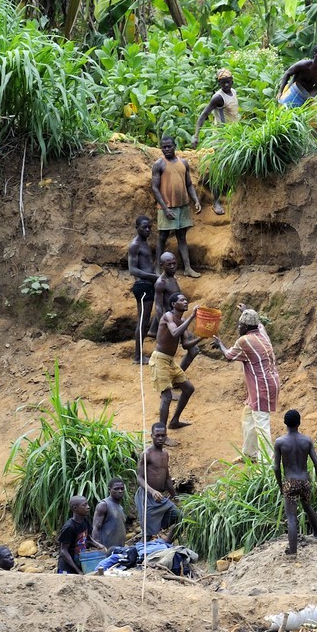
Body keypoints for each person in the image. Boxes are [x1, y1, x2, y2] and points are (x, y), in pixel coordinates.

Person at [217, 306, 280, 459]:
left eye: (240, 325)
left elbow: (229, 355)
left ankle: (266, 463)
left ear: (246, 327)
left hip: (261, 386)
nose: (238, 327)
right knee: (248, 418)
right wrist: (246, 311)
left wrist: (220, 344)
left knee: (261, 424)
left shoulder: (245, 340)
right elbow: (259, 323)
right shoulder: (262, 333)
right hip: (270, 381)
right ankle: (250, 454)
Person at [150, 136, 202, 277]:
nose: (166, 149)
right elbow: (154, 188)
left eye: (169, 146)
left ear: (175, 146)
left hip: (182, 205)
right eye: (163, 147)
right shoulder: (159, 164)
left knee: (182, 237)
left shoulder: (183, 163)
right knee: (162, 237)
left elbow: (189, 184)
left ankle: (187, 268)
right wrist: (165, 208)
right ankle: (157, 269)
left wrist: (196, 200)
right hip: (166, 207)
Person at [272, 410, 317, 555]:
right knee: (307, 506)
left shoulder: (280, 442)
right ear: (299, 423)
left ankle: (293, 551)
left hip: (290, 482)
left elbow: (276, 467)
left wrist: (280, 485)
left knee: (292, 516)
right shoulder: (307, 441)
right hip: (305, 481)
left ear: (285, 423)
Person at [193, 68, 239, 214]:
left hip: (233, 137)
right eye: (223, 83)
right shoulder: (218, 98)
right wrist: (196, 135)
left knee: (234, 167)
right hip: (221, 138)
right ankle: (216, 202)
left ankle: (234, 197)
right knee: (219, 170)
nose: (226, 85)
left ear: (232, 81)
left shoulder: (234, 93)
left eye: (228, 82)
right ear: (219, 83)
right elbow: (203, 115)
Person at [151, 292, 198, 432]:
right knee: (167, 397)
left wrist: (202, 337)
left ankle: (174, 421)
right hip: (159, 359)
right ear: (173, 304)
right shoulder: (168, 316)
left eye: (186, 299)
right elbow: (175, 333)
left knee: (189, 388)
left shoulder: (182, 321)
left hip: (169, 361)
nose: (185, 302)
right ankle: (162, 433)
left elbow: (186, 345)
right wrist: (191, 317)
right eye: (182, 300)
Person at [137, 423, 182, 540]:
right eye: (157, 435)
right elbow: (139, 478)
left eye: (163, 435)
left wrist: (175, 497)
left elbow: (167, 478)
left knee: (180, 517)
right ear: (152, 436)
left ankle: (167, 542)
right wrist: (152, 491)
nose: (160, 438)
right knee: (147, 533)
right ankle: (143, 553)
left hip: (160, 497)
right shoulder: (146, 454)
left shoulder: (165, 454)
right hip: (147, 496)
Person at [126, 216, 160, 364]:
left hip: (148, 284)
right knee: (142, 321)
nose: (147, 230)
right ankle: (138, 357)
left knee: (145, 319)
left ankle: (139, 354)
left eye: (149, 227)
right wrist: (154, 277)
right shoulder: (135, 245)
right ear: (136, 227)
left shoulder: (144, 243)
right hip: (143, 285)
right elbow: (132, 269)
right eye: (144, 227)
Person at [56, 496, 92, 575]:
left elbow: (87, 538)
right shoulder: (69, 527)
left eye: (87, 504)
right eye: (84, 505)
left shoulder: (84, 521)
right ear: (75, 508)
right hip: (67, 568)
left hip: (78, 563)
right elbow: (63, 551)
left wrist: (99, 545)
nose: (88, 507)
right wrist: (78, 571)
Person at [91, 477, 128, 550]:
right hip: (106, 550)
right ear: (109, 489)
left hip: (119, 549)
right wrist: (98, 547)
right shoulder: (104, 505)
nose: (120, 491)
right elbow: (96, 528)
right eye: (116, 489)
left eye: (122, 488)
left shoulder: (120, 507)